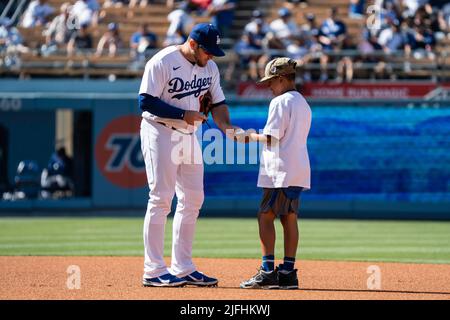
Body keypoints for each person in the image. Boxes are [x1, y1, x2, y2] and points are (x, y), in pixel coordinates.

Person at [139, 23, 243, 287]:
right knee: (161, 198)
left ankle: (183, 266)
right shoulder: (163, 61)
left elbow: (218, 103)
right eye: (208, 50)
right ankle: (153, 270)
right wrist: (182, 114)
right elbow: (146, 101)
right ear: (193, 44)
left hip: (189, 134)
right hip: (159, 130)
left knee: (194, 198)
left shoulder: (210, 67)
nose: (211, 56)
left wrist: (227, 127)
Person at [240, 57, 311, 290]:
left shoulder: (280, 102)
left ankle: (268, 271)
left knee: (266, 215)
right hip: (298, 168)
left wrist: (248, 136)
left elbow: (273, 137)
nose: (269, 86)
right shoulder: (303, 102)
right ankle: (288, 273)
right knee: (289, 217)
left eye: (271, 81)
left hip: (280, 169)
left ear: (281, 79)